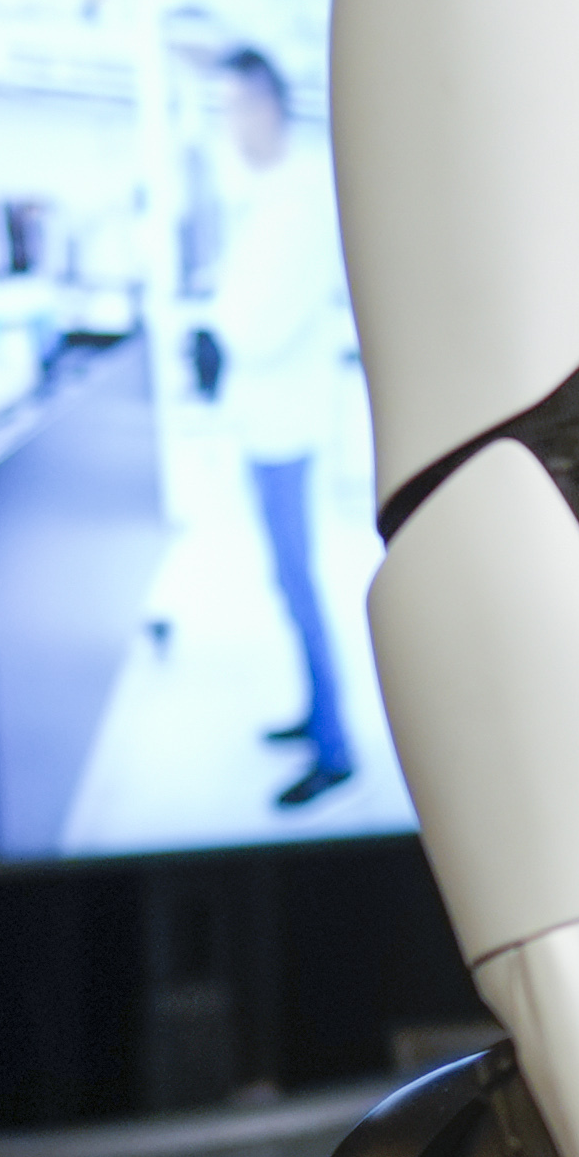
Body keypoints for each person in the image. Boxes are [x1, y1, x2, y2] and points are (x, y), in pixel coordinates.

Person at [192, 41, 362, 810]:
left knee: (298, 578)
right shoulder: (269, 193)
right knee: (286, 578)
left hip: (285, 420)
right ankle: (314, 713)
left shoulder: (298, 198)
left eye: (232, 108)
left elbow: (265, 317)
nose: (228, 126)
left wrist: (219, 332)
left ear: (265, 107)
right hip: (267, 415)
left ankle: (336, 749)